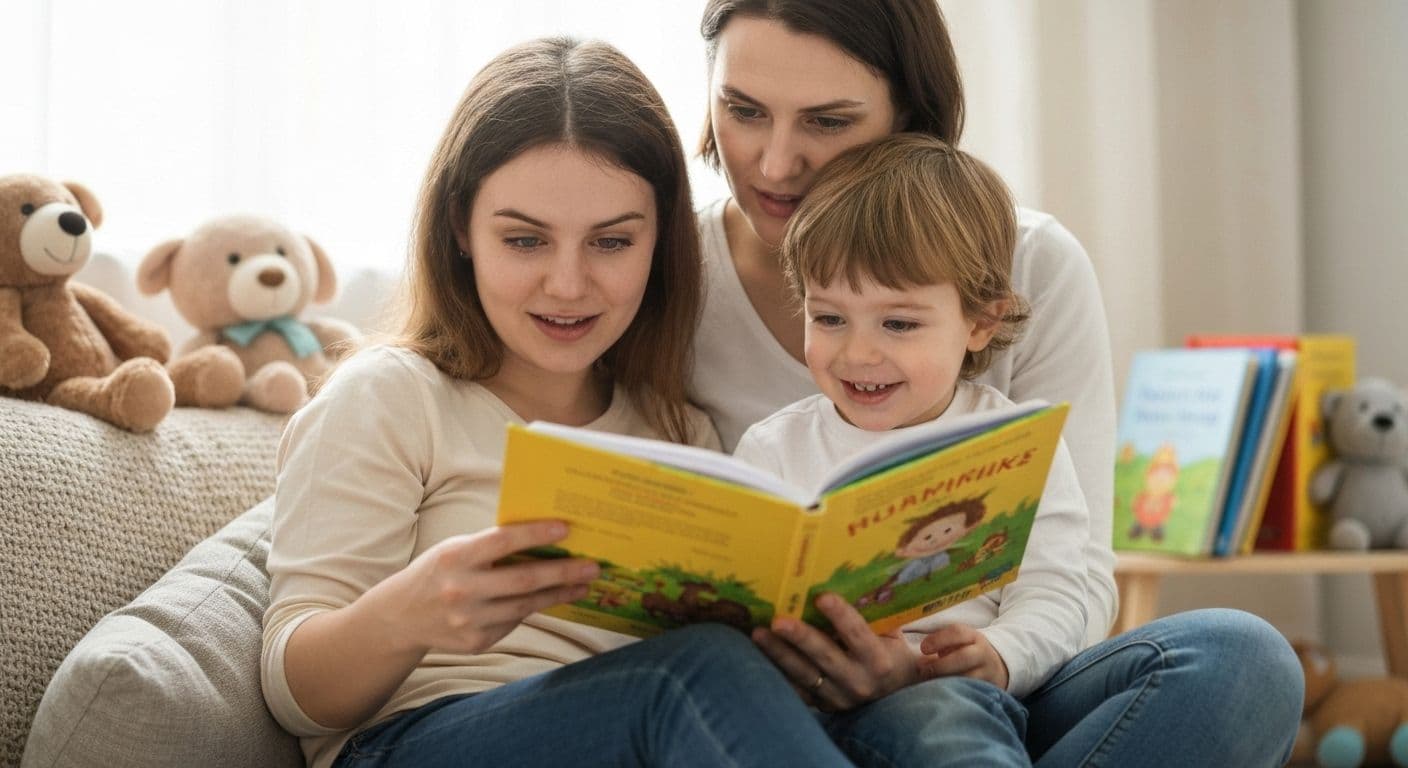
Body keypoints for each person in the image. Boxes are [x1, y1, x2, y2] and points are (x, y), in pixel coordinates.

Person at [690, 1, 1304, 765]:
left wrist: (995, 656)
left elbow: (1071, 579)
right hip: (790, 719)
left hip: (988, 690)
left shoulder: (1028, 293)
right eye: (743, 111)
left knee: (1239, 660)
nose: (776, 164)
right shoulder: (669, 280)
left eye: (827, 121)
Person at [260, 37, 860, 768]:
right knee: (689, 673)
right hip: (415, 741)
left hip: (637, 740)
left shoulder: (678, 427)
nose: (569, 285)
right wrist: (408, 613)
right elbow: (295, 695)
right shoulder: (393, 396)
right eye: (524, 241)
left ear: (660, 241)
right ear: (461, 229)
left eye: (610, 243)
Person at [733, 134, 1090, 765]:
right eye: (829, 318)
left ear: (980, 320)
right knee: (937, 718)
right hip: (827, 720)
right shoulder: (771, 450)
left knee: (1230, 651)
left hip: (986, 698)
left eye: (898, 323)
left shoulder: (1017, 443)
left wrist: (1001, 655)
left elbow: (1058, 592)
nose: (858, 354)